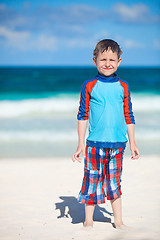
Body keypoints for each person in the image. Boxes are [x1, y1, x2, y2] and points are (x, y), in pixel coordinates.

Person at [72, 39, 140, 229]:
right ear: (95, 61)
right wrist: (80, 144)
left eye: (112, 59)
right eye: (103, 59)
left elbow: (129, 116)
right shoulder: (89, 85)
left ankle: (118, 221)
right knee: (91, 180)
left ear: (119, 61)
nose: (107, 63)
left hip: (118, 144)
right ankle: (88, 220)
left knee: (114, 182)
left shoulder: (124, 87)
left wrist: (133, 144)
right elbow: (82, 115)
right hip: (94, 144)